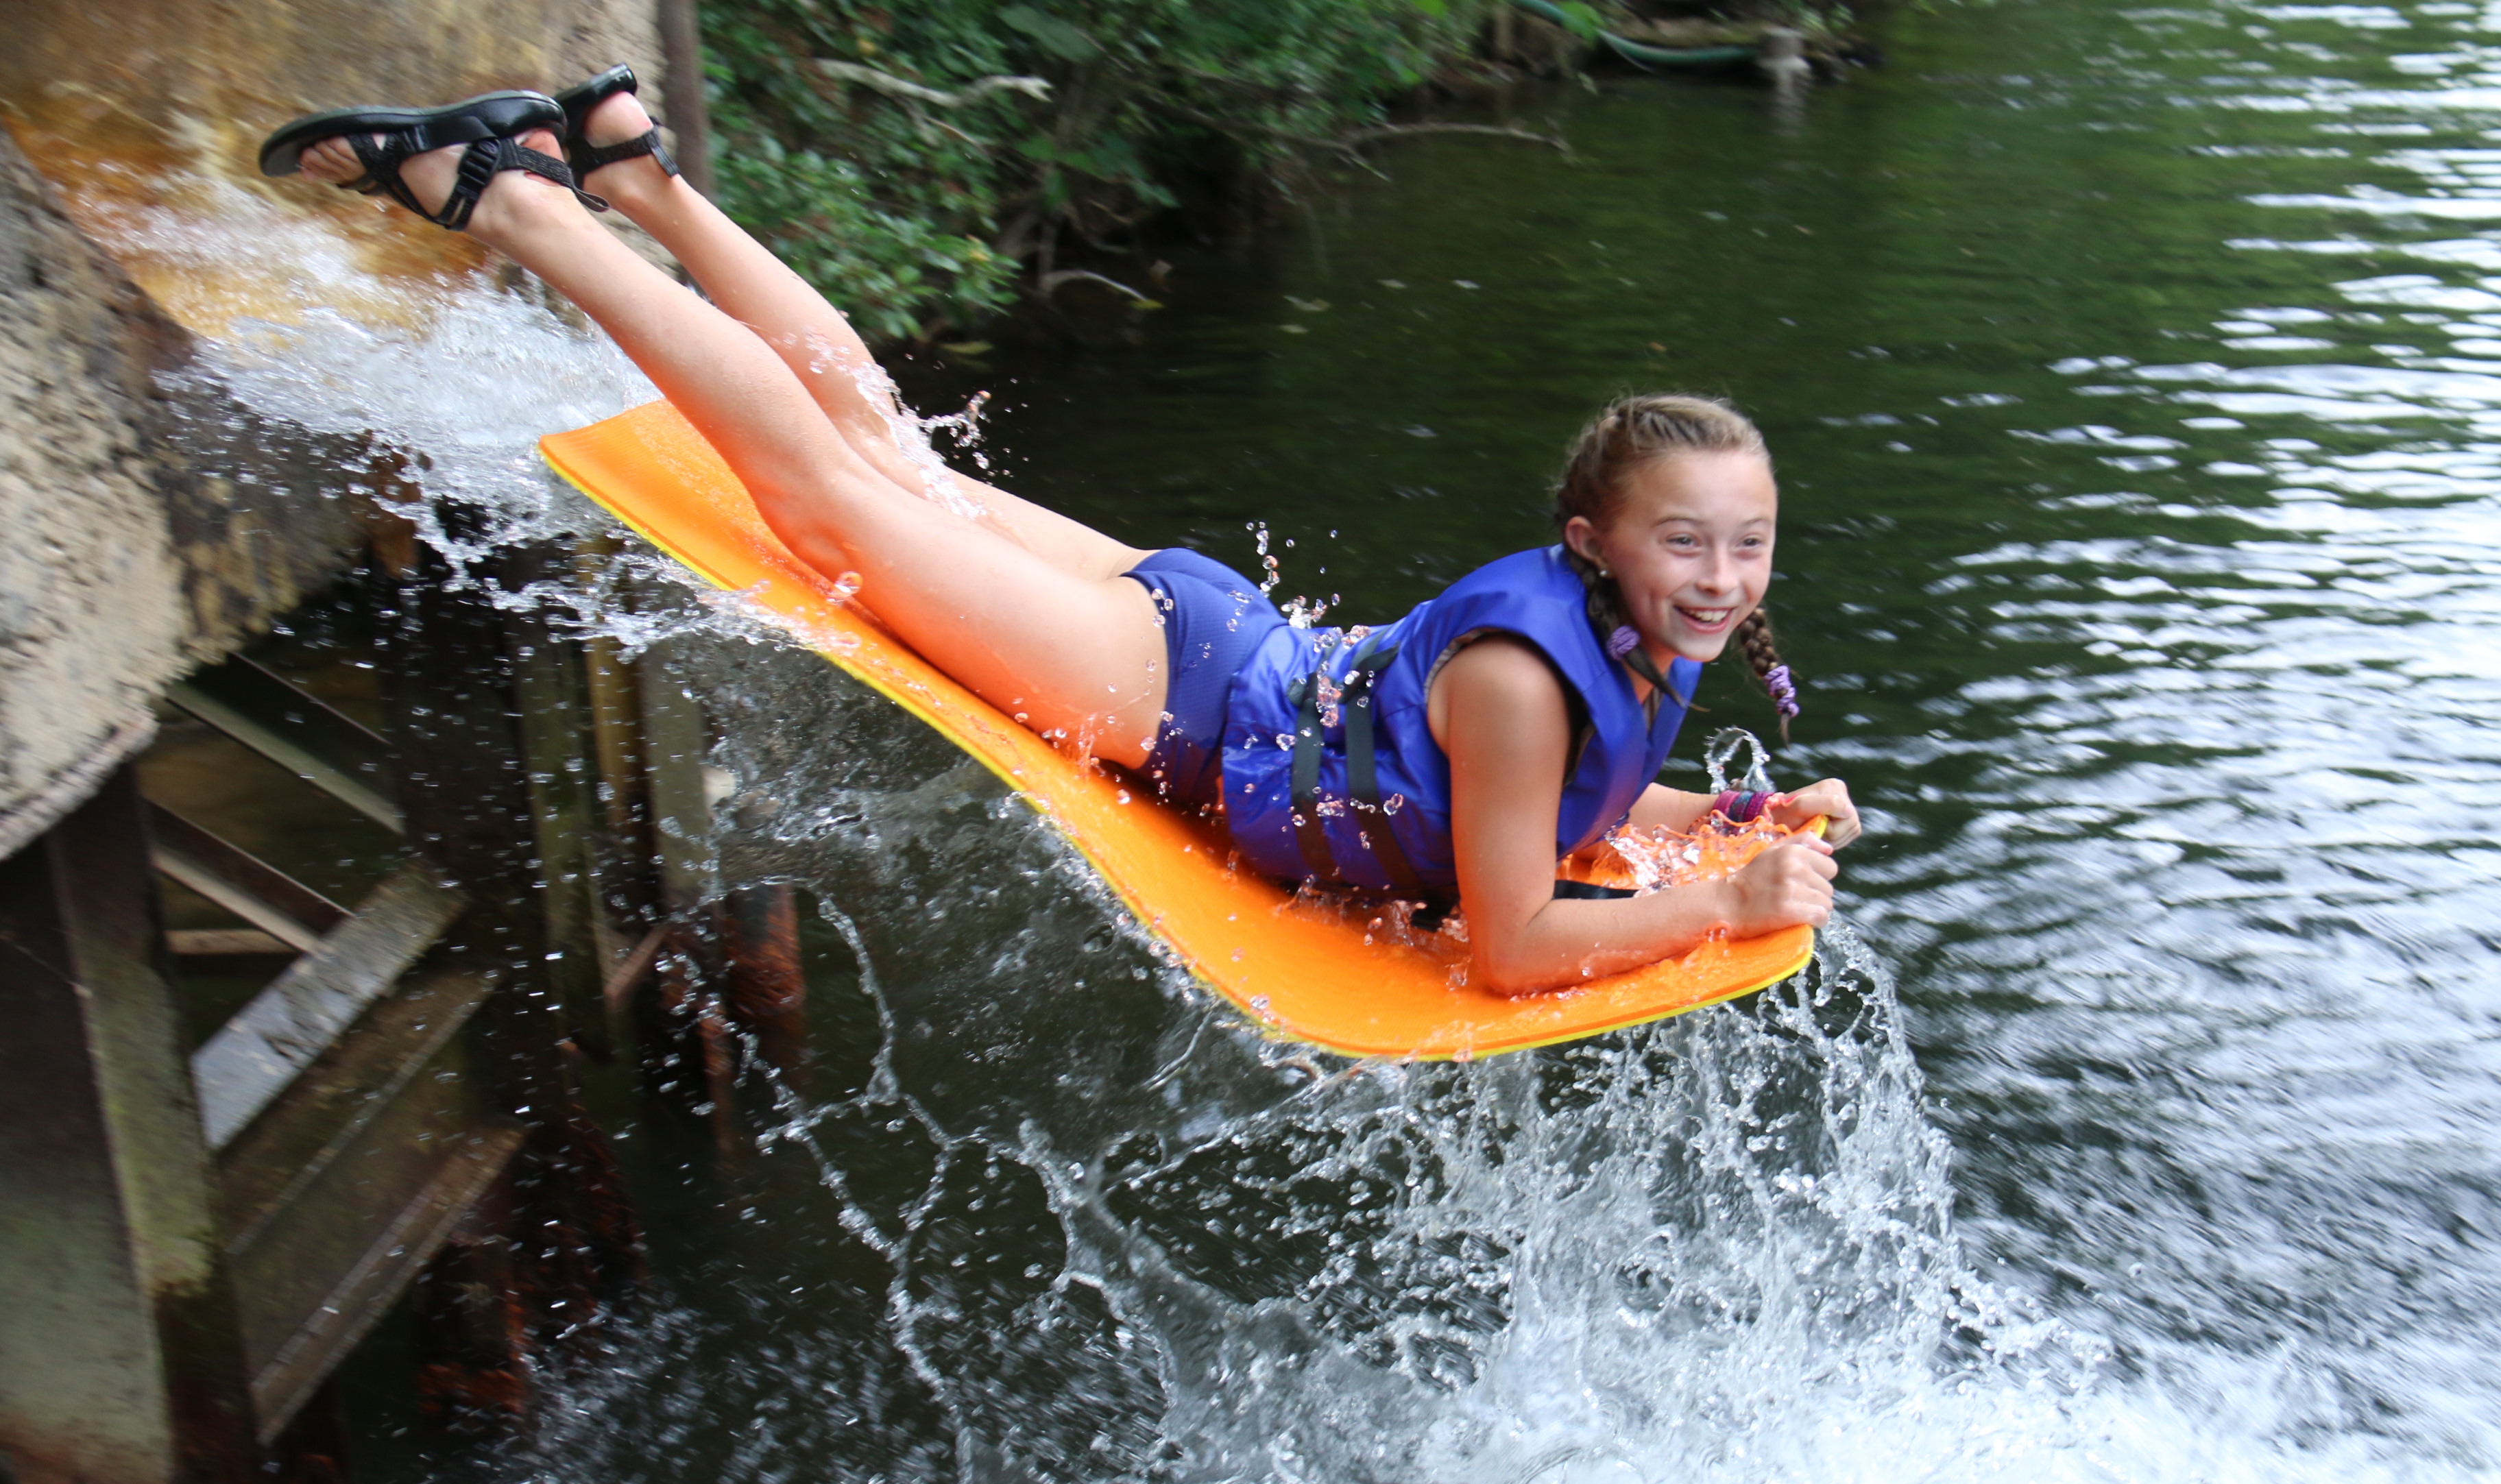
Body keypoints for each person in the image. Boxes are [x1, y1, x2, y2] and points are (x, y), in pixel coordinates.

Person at [261, 72, 1859, 997]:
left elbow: (1545, 800)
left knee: (887, 451)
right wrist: (1722, 907)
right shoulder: (1528, 674)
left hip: (1221, 634)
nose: (1722, 580)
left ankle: (636, 172)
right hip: (1175, 695)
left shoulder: (1632, 633)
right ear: (1593, 537)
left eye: (1750, 546)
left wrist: (1725, 815)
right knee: (824, 495)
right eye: (1688, 544)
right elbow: (1512, 942)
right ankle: (517, 201)